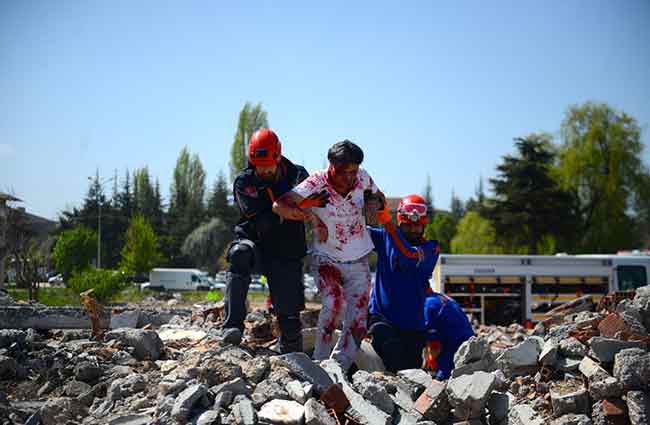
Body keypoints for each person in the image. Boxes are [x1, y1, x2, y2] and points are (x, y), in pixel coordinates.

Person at [273, 140, 384, 371]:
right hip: (327, 259)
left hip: (358, 257)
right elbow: (279, 204)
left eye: (354, 171)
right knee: (334, 303)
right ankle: (319, 363)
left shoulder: (362, 178)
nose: (351, 177)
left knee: (358, 320)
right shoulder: (317, 181)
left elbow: (379, 198)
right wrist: (310, 218)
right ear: (332, 167)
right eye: (345, 173)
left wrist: (375, 204)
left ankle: (339, 367)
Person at [219, 128, 309, 353]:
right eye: (259, 166)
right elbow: (261, 220)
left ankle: (290, 351)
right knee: (239, 254)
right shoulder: (243, 182)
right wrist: (286, 209)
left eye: (268, 165)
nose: (264, 171)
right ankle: (232, 327)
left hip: (287, 250)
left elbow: (309, 203)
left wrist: (285, 209)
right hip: (254, 242)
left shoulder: (298, 175)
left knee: (289, 321)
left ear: (278, 157)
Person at [366, 194, 441, 373]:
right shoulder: (386, 237)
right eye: (408, 226)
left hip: (414, 326)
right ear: (400, 222)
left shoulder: (431, 249)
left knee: (409, 374)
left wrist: (386, 222)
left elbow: (407, 255)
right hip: (382, 318)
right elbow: (355, 232)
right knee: (393, 356)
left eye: (418, 226)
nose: (414, 230)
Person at [423, 290, 475, 380]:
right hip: (469, 343)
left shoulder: (427, 304)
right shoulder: (441, 297)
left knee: (441, 382)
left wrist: (428, 363)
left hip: (453, 347)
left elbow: (434, 344)